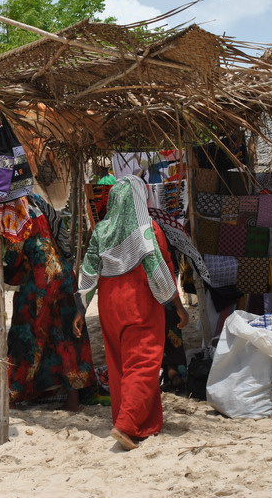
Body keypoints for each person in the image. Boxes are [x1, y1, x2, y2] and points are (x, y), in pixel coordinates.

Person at [73, 175, 189, 450]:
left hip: (109, 304)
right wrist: (177, 305)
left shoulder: (101, 229)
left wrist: (81, 308)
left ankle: (141, 423)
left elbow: (88, 269)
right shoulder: (148, 229)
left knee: (120, 363)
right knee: (144, 361)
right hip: (139, 300)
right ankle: (126, 425)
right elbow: (159, 268)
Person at [4, 195, 95, 411]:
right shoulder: (37, 201)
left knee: (25, 334)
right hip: (63, 275)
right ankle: (72, 398)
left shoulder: (13, 210)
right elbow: (61, 234)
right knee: (66, 337)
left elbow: (12, 256)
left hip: (39, 281)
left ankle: (14, 393)